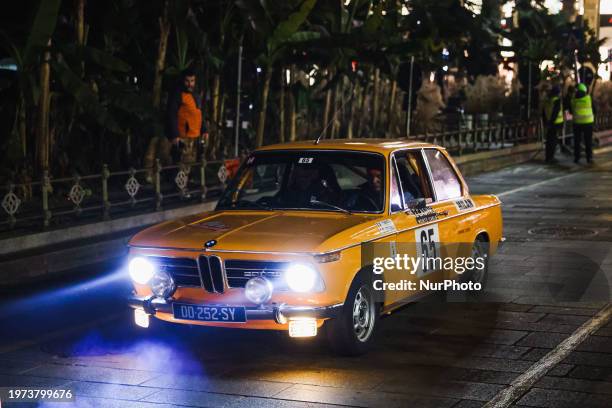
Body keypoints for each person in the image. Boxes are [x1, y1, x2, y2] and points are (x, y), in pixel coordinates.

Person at [570, 83, 595, 164]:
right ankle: (589, 158)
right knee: (588, 141)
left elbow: (571, 111)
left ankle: (577, 158)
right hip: (588, 123)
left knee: (577, 141)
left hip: (577, 123)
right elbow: (595, 109)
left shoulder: (573, 99)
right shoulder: (589, 98)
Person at [542, 85, 564, 164]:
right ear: (557, 93)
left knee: (549, 141)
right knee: (553, 141)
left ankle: (548, 157)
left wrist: (546, 123)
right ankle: (551, 158)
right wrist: (552, 122)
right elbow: (555, 112)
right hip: (555, 124)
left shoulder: (548, 100)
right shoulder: (557, 101)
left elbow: (543, 112)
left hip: (549, 123)